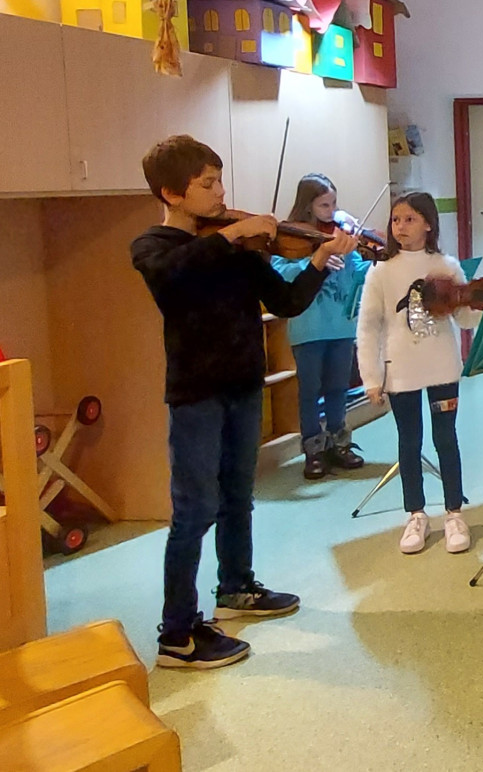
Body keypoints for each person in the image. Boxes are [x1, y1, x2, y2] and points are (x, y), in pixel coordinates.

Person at [132, 134, 355, 669]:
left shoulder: (239, 247)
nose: (220, 192)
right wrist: (234, 232)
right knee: (194, 509)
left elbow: (285, 301)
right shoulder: (153, 246)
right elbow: (171, 276)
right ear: (171, 192)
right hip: (196, 392)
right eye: (207, 184)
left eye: (220, 181)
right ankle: (177, 634)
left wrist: (319, 260)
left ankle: (235, 587)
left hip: (244, 384)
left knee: (238, 495)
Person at [357, 192, 481, 555]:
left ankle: (454, 513)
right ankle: (416, 515)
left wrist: (476, 300)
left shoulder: (446, 266)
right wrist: (371, 377)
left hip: (441, 368)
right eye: (396, 220)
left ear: (428, 224)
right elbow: (368, 327)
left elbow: (464, 320)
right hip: (401, 371)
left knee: (446, 439)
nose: (400, 227)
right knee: (409, 442)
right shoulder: (381, 271)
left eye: (409, 219)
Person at [271, 173, 369, 480]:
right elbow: (281, 272)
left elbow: (356, 271)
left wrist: (376, 263)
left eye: (334, 203)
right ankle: (313, 449)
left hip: (342, 326)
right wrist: (317, 261)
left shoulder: (340, 235)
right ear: (307, 206)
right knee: (310, 391)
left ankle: (339, 443)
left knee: (339, 387)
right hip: (309, 327)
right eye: (324, 205)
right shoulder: (292, 238)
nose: (332, 211)